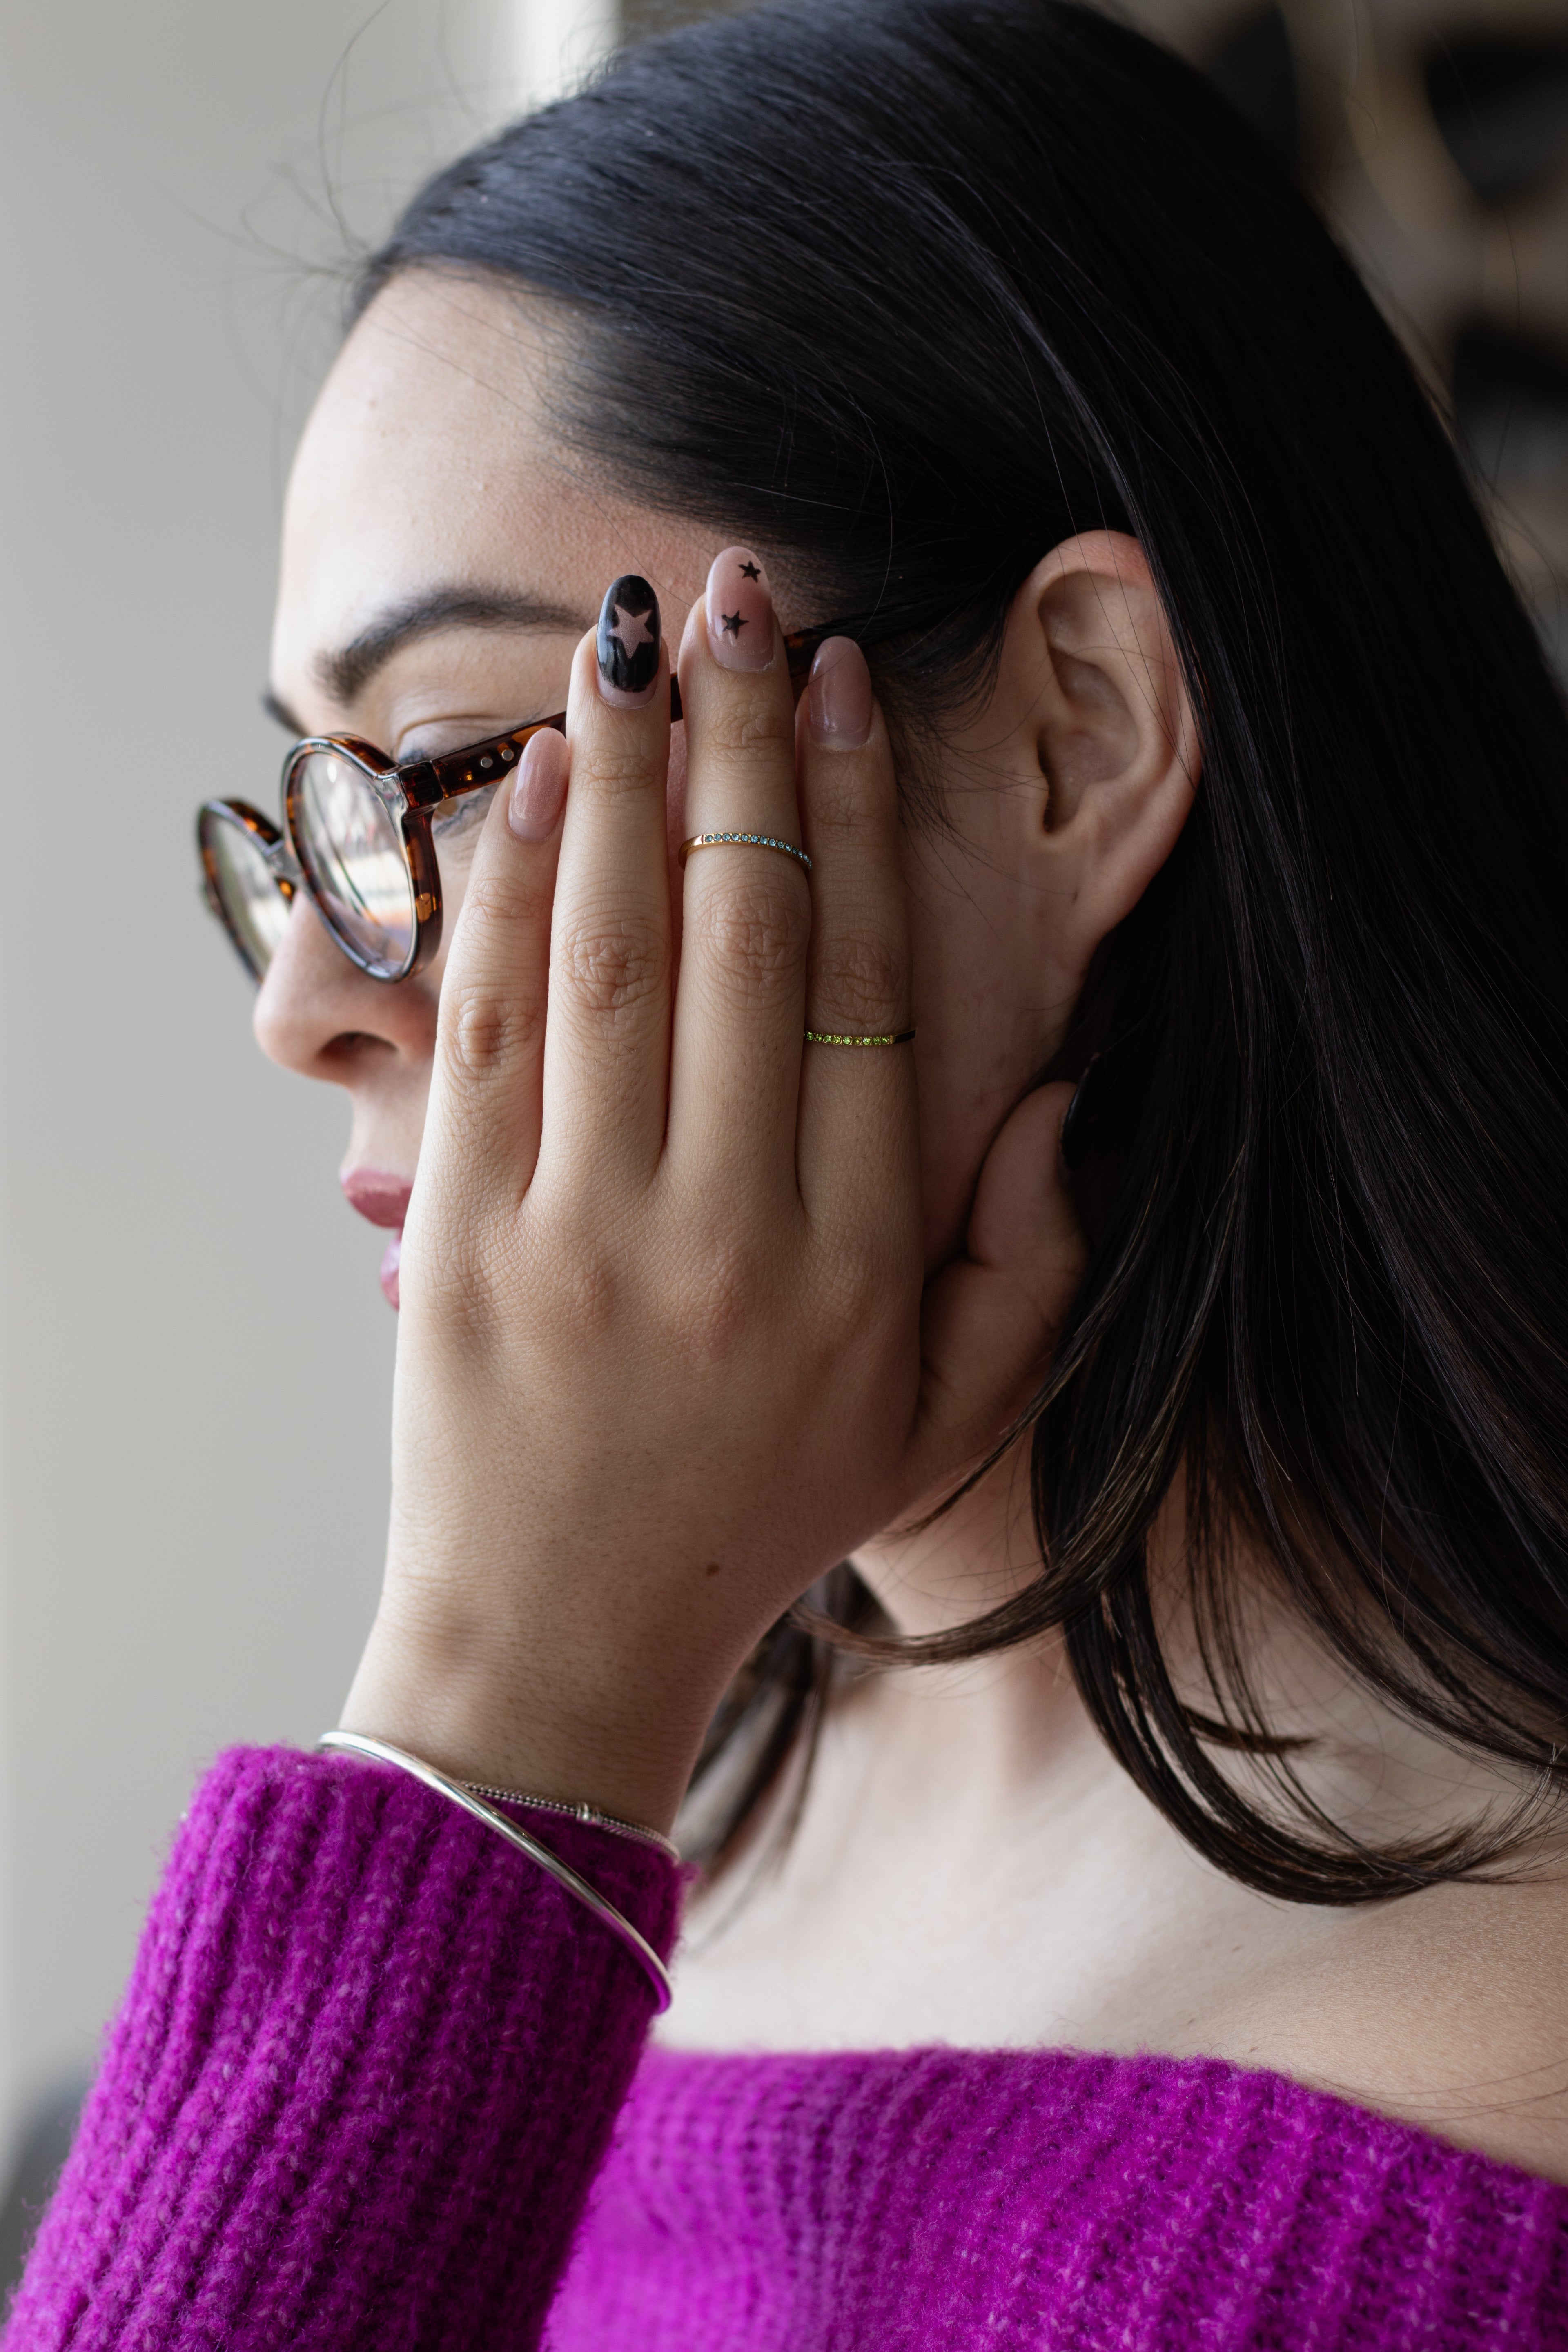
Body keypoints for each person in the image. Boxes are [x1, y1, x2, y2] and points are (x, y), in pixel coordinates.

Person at [10, 0, 1568, 2342]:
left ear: (1076, 737)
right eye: (301, 822)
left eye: (434, 766)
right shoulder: (538, 1862)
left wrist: (505, 1713)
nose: (302, 999)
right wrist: (507, 1715)